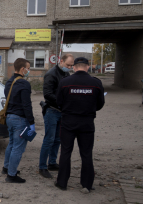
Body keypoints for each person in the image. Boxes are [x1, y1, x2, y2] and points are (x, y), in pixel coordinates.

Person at [55, 57, 105, 193]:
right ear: (87, 67)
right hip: (87, 123)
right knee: (86, 154)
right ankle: (87, 184)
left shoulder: (65, 82)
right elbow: (100, 104)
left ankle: (62, 183)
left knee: (65, 152)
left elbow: (58, 101)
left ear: (75, 67)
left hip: (68, 122)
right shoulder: (96, 83)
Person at [38, 54, 74, 178]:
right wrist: (62, 101)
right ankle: (42, 166)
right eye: (68, 65)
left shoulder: (66, 74)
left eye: (71, 65)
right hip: (52, 111)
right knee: (49, 139)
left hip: (62, 112)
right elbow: (47, 94)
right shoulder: (51, 74)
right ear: (61, 61)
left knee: (58, 139)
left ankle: (52, 163)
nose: (69, 67)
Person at [2, 58, 36, 183]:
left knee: (11, 143)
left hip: (9, 117)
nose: (29, 70)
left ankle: (6, 168)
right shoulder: (24, 84)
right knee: (18, 147)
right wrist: (32, 123)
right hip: (20, 119)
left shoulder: (9, 82)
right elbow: (27, 105)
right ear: (23, 69)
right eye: (28, 68)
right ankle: (11, 175)